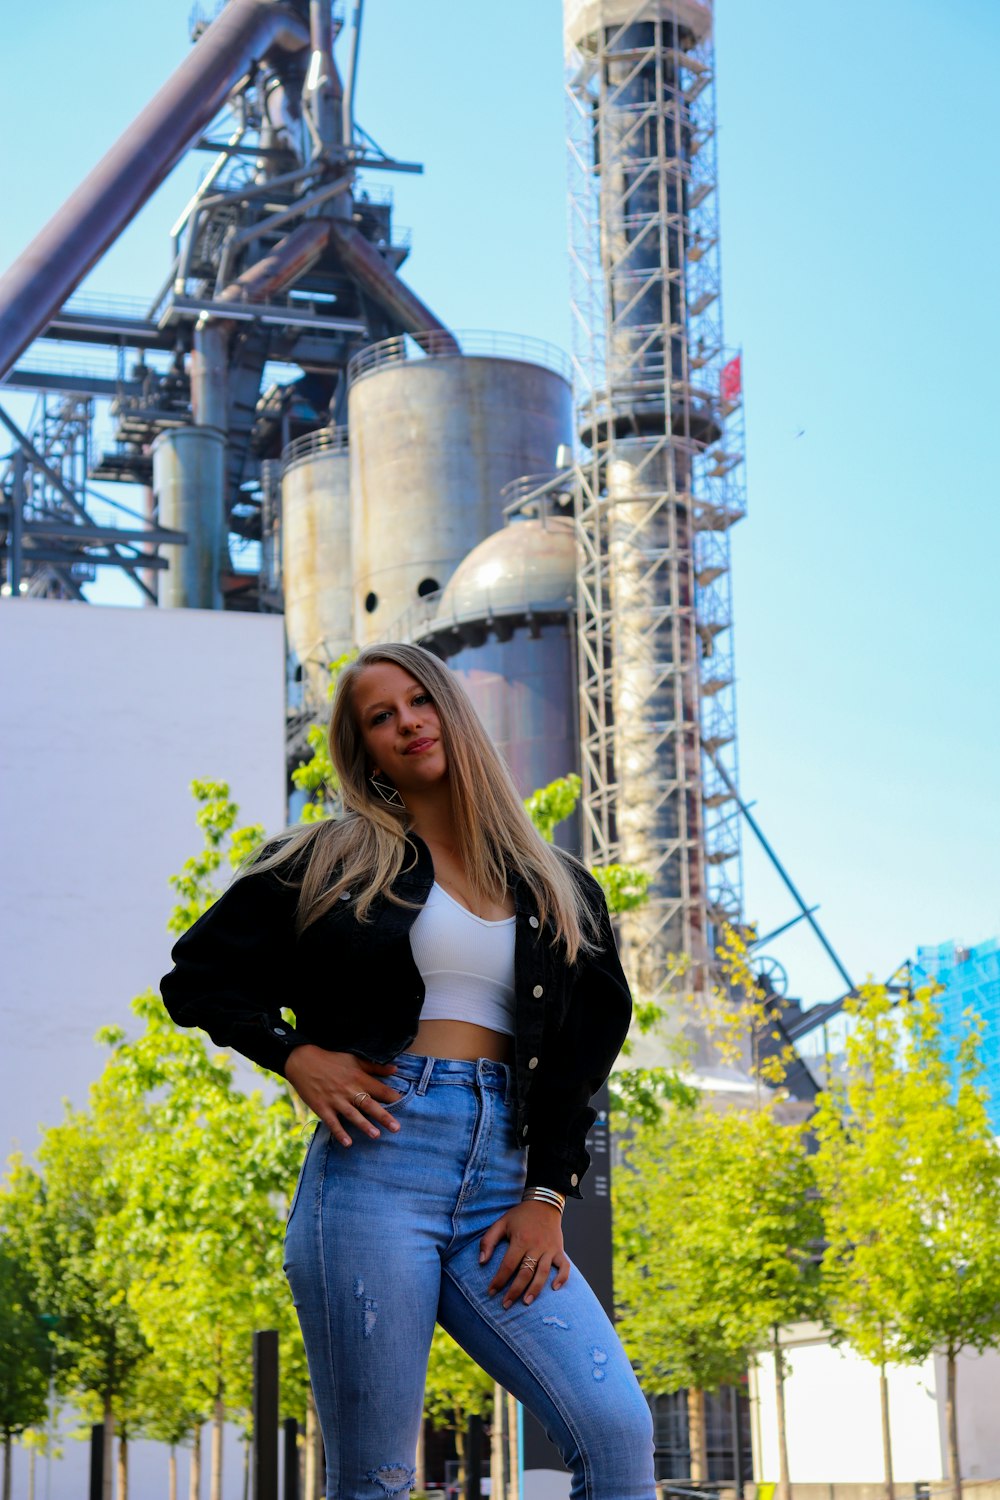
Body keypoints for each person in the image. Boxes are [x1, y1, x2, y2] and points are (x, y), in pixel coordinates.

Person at [160, 641, 656, 1500]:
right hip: (377, 1170)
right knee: (380, 1477)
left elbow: (583, 1058)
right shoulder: (326, 858)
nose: (406, 724)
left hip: (506, 1183)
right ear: (365, 751)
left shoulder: (559, 884)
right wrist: (292, 1055)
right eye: (379, 718)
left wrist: (547, 1198)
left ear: (451, 710)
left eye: (418, 701)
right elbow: (197, 977)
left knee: (615, 1434)